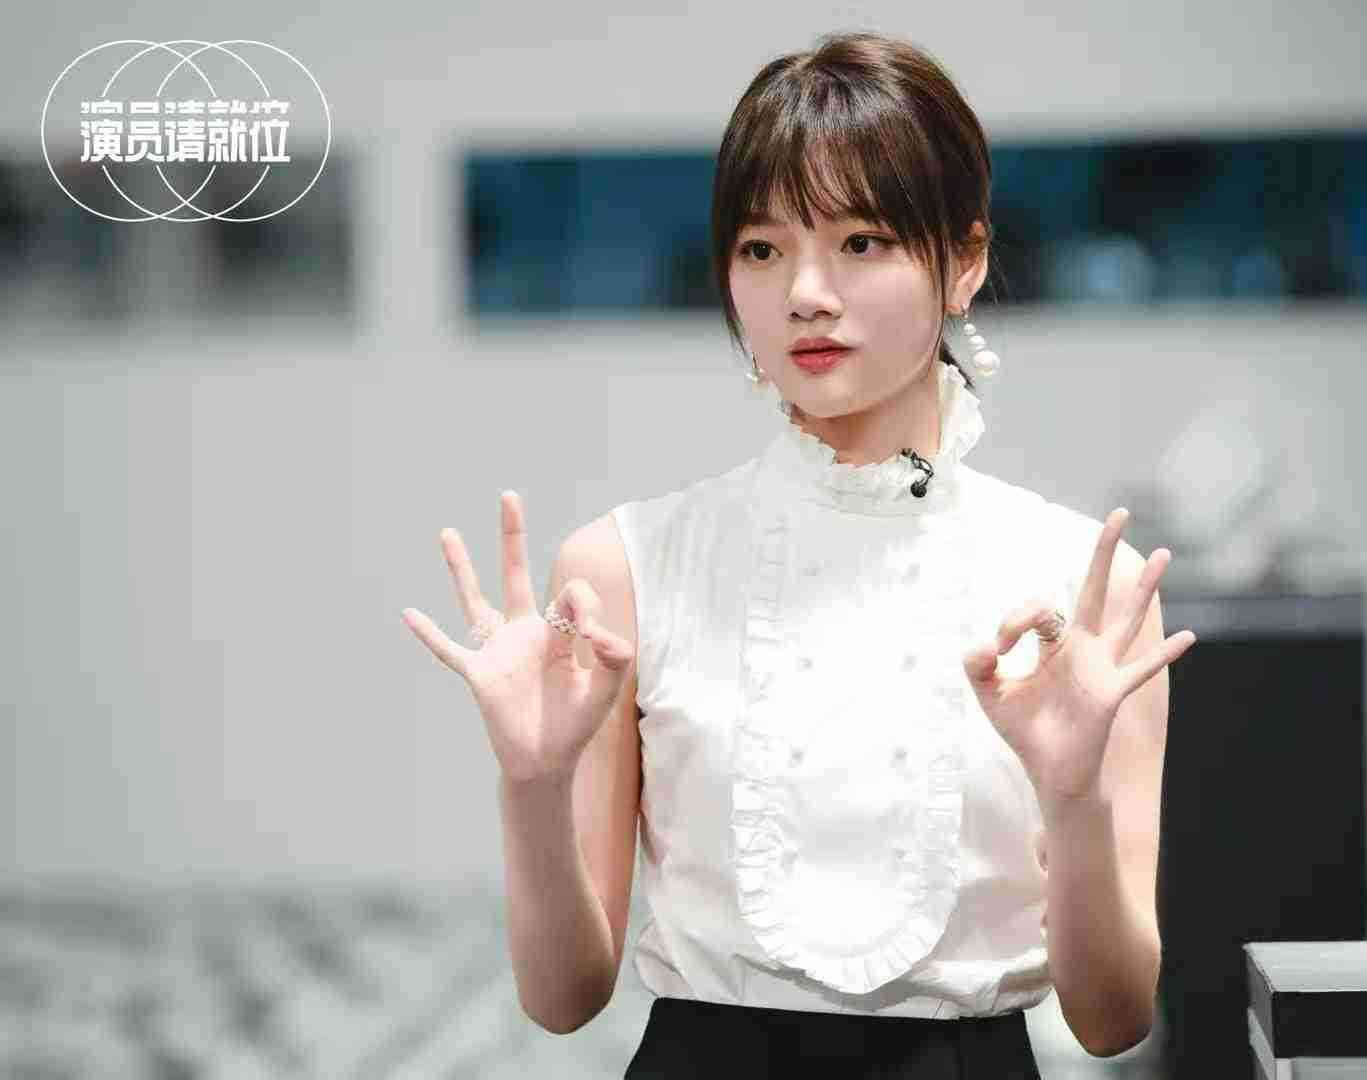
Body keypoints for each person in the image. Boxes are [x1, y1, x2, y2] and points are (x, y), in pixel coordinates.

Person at [402, 29, 1197, 1079]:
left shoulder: (1078, 590)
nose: (804, 294)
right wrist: (533, 785)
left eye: (861, 242)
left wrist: (1074, 797)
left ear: (964, 262)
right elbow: (562, 1001)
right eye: (762, 249)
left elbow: (1113, 1019)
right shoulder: (624, 570)